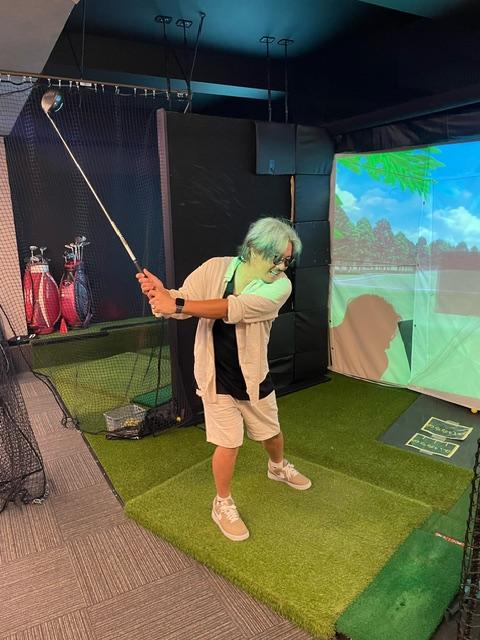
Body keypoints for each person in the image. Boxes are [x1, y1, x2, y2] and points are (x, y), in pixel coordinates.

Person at [136, 217, 311, 542]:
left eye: (287, 260)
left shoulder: (280, 286)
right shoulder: (215, 268)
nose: (281, 266)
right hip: (215, 376)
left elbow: (233, 309)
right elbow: (182, 303)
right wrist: (162, 295)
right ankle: (222, 503)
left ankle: (277, 466)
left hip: (253, 376)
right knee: (228, 443)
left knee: (271, 433)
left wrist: (176, 302)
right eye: (276, 258)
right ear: (254, 248)